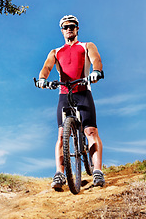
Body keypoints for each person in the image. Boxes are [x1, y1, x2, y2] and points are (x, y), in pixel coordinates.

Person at [36, 15, 105, 188]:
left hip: (83, 92)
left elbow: (96, 60)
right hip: (64, 94)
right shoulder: (56, 52)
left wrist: (96, 71)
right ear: (62, 30)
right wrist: (42, 79)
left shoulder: (86, 46)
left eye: (72, 26)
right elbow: (46, 68)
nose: (69, 29)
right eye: (66, 27)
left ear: (77, 28)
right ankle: (59, 173)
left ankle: (97, 171)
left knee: (90, 131)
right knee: (61, 134)